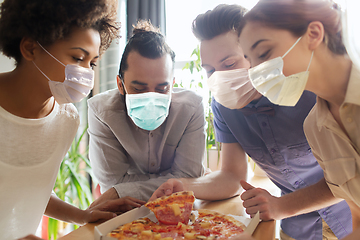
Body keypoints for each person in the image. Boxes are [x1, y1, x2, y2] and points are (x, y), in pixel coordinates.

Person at [150, 4, 352, 240]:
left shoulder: (310, 89)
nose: (219, 78)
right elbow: (232, 176)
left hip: (350, 216)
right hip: (298, 230)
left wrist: (281, 206)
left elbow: (350, 177)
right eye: (209, 70)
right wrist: (185, 186)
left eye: (229, 64)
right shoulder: (224, 107)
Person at [0, 1, 147, 239]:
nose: (87, 73)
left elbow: (32, 190)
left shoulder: (66, 119)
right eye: (78, 57)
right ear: (30, 48)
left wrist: (82, 216)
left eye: (92, 62)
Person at [238, 0, 360, 239]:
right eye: (250, 62)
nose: (257, 73)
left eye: (264, 53)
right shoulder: (315, 128)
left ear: (313, 33)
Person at [87, 20, 205, 209]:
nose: (151, 98)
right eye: (139, 89)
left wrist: (123, 190)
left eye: (162, 89)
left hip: (178, 208)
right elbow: (113, 182)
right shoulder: (102, 112)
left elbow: (189, 177)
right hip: (126, 213)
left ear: (172, 84)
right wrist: (172, 179)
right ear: (120, 85)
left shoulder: (191, 108)